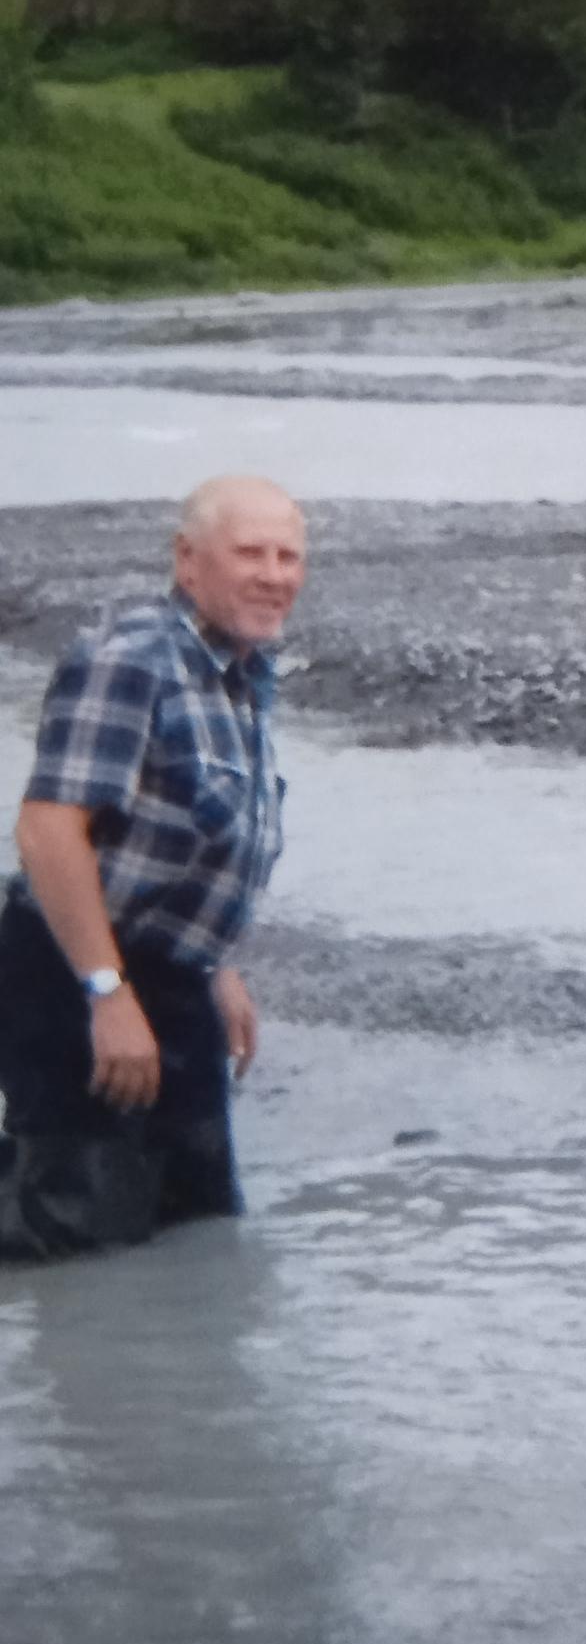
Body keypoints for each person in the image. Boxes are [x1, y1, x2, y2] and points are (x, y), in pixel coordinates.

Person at [0, 475, 306, 1262]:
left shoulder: (240, 670)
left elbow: (187, 836)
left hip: (175, 982)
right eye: (250, 553)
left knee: (198, 1231)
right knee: (72, 1248)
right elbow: (47, 829)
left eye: (289, 556)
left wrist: (215, 964)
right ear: (188, 560)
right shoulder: (131, 659)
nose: (275, 575)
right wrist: (106, 993)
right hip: (76, 975)